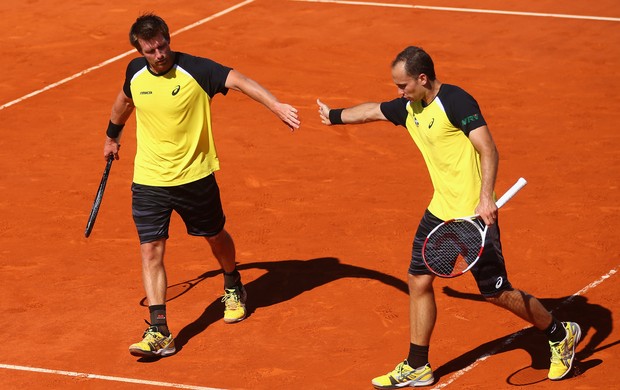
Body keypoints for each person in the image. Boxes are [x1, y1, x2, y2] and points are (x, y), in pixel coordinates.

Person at [317, 46, 580, 387]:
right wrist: (334, 115)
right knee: (418, 280)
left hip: (473, 217)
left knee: (496, 292)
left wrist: (486, 198)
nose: (398, 92)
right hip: (439, 212)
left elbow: (488, 148)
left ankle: (560, 334)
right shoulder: (410, 107)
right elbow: (371, 111)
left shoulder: (457, 101)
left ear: (422, 78)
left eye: (403, 85)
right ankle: (417, 365)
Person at [102, 13, 300, 358]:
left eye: (163, 45)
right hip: (149, 179)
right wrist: (111, 136)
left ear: (168, 38)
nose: (160, 54)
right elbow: (124, 102)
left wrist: (275, 105)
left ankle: (233, 282)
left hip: (195, 178)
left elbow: (240, 81)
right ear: (140, 50)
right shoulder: (135, 72)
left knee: (215, 237)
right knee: (151, 250)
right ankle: (159, 330)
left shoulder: (196, 69)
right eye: (151, 50)